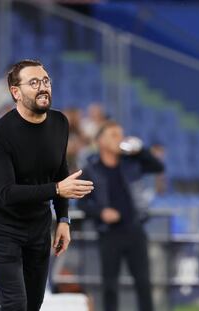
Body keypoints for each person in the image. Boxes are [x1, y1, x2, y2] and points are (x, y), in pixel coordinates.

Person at [0, 59, 94, 311]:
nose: (42, 87)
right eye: (33, 82)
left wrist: (64, 220)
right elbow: (8, 193)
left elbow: (60, 172)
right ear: (16, 92)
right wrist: (57, 189)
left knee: (34, 304)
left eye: (45, 81)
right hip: (1, 228)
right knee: (15, 304)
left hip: (38, 226)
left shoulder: (60, 123)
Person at [78, 120, 164, 311]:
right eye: (114, 135)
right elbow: (81, 203)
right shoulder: (91, 170)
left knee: (143, 284)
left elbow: (158, 167)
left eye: (121, 135)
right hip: (109, 234)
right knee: (110, 286)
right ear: (100, 141)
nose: (119, 139)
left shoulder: (131, 163)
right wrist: (101, 212)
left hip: (135, 230)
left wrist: (140, 150)